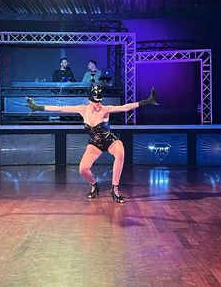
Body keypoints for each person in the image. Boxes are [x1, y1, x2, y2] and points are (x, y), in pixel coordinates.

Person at [26, 84, 158, 203]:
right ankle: (94, 185)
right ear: (89, 100)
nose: (99, 104)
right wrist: (38, 107)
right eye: (96, 102)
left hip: (109, 140)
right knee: (83, 169)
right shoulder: (82, 109)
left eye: (100, 101)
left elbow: (124, 108)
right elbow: (60, 109)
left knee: (120, 152)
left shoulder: (105, 109)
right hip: (95, 143)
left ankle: (115, 189)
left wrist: (146, 102)